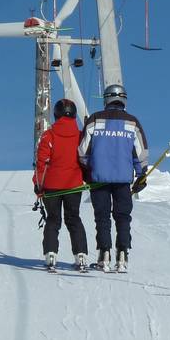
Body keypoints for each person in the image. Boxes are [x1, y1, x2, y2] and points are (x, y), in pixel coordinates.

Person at [78, 83, 149, 272]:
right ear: (124, 99)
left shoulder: (95, 119)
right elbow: (140, 152)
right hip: (123, 179)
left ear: (106, 99)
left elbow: (83, 150)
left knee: (102, 217)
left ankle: (104, 253)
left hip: (99, 178)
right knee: (123, 217)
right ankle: (123, 253)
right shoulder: (132, 122)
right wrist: (141, 174)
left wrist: (88, 169)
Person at [34, 98, 90, 272]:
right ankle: (81, 255)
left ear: (56, 114)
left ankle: (51, 255)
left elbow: (42, 163)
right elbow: (85, 159)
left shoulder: (48, 135)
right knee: (74, 219)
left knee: (53, 219)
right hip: (74, 185)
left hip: (51, 186)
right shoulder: (80, 136)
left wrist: (38, 185)